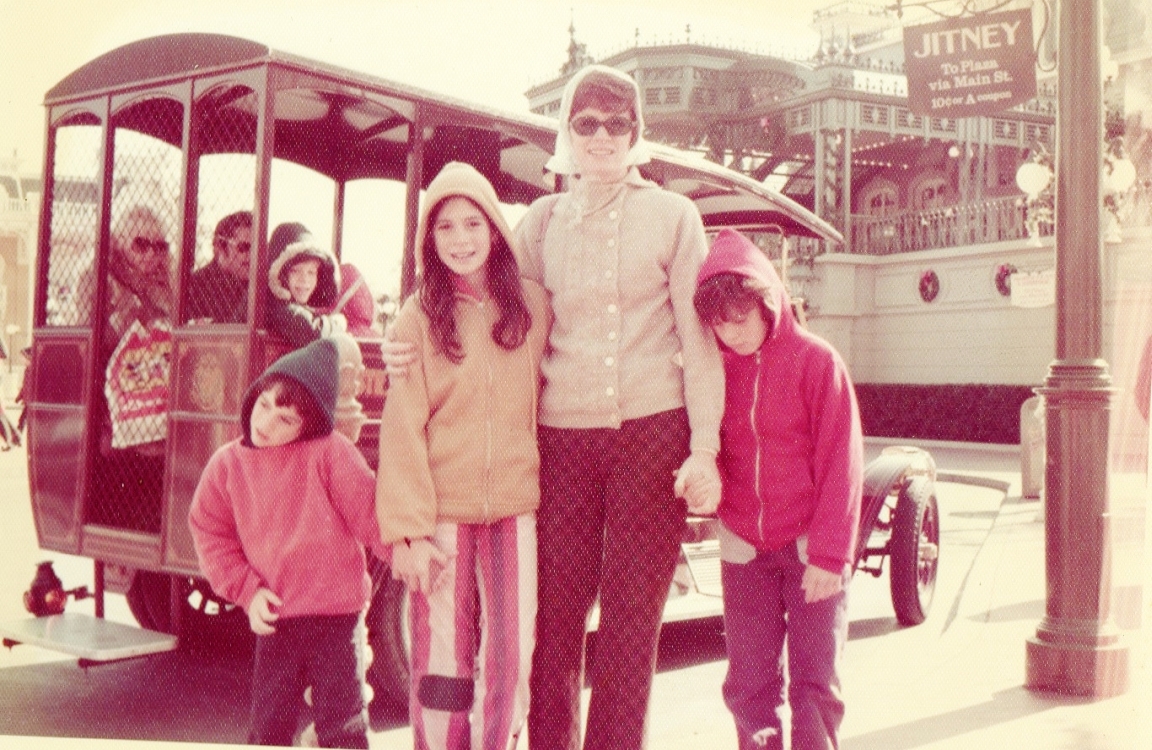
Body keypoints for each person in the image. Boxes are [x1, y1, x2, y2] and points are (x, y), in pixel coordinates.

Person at [384, 65, 723, 750]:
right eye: (586, 123)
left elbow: (699, 337)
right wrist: (408, 336)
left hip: (653, 433)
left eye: (618, 123)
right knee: (554, 619)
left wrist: (705, 447)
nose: (602, 136)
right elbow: (497, 309)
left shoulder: (673, 217)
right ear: (567, 130)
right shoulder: (540, 223)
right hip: (563, 440)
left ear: (637, 130)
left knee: (631, 620)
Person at [375, 161, 550, 750]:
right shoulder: (417, 318)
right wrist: (407, 534)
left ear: (495, 229)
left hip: (514, 509)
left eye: (473, 223)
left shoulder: (532, 306)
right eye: (445, 226)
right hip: (443, 516)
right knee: (443, 657)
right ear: (429, 239)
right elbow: (402, 428)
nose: (460, 239)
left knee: (511, 652)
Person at [687, 228, 863, 750]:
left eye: (740, 319)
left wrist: (829, 556)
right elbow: (707, 448)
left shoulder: (817, 361)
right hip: (745, 548)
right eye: (718, 324)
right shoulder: (714, 371)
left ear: (768, 303)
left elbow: (842, 463)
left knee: (815, 685)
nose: (730, 334)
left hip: (811, 550)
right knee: (749, 688)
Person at [188, 337, 389, 748]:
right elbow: (209, 531)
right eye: (264, 404)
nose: (265, 423)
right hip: (276, 616)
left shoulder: (331, 453)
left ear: (307, 426)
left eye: (285, 419)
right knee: (269, 728)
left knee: (345, 728)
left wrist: (409, 557)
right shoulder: (227, 465)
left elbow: (372, 517)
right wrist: (247, 592)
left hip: (337, 617)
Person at [187, 210, 254, 324]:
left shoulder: (258, 286)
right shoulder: (195, 286)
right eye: (244, 247)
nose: (252, 255)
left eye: (257, 248)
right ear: (221, 247)